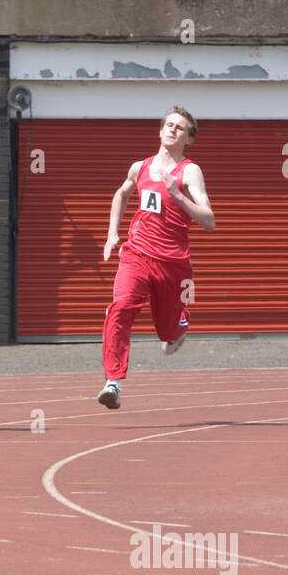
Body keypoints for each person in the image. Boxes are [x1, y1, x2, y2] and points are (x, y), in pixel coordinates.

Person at [98, 107, 215, 409]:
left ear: (189, 138)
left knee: (167, 332)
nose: (172, 130)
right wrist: (113, 233)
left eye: (180, 128)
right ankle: (114, 382)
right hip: (136, 253)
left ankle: (181, 322)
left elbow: (209, 221)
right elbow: (121, 194)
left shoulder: (190, 171)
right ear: (160, 130)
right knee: (121, 307)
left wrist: (177, 194)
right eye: (169, 125)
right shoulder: (140, 167)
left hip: (173, 264)